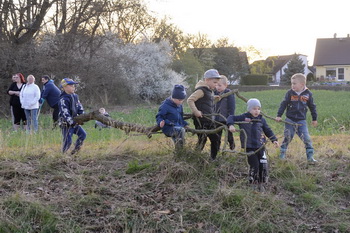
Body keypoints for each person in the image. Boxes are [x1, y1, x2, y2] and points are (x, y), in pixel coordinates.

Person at [227, 98, 279, 187]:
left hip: (260, 146)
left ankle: (262, 182)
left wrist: (274, 140)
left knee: (263, 164)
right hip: (249, 147)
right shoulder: (244, 117)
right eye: (254, 109)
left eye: (258, 109)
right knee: (255, 165)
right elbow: (231, 117)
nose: (257, 111)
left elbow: (268, 130)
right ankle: (253, 182)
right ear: (249, 109)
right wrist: (231, 125)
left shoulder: (261, 119)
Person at [275, 73, 318, 162]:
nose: (292, 85)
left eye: (294, 83)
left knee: (306, 139)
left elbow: (312, 107)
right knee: (288, 137)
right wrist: (279, 116)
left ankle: (310, 157)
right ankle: (282, 154)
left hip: (301, 121)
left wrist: (314, 119)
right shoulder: (290, 93)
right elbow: (283, 104)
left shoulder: (308, 94)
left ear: (302, 84)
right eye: (292, 83)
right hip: (290, 119)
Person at [187, 69, 221, 160]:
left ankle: (212, 158)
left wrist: (213, 98)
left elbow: (204, 101)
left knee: (215, 139)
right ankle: (196, 157)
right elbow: (190, 100)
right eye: (214, 82)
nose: (216, 85)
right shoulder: (201, 90)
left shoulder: (208, 91)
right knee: (204, 139)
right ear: (207, 80)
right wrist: (196, 112)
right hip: (201, 120)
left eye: (217, 83)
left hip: (208, 119)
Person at [58, 78, 86, 155]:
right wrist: (71, 121)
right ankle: (63, 155)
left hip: (75, 121)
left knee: (83, 135)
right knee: (68, 141)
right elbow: (65, 112)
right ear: (64, 87)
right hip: (66, 124)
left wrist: (83, 116)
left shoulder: (75, 96)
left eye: (74, 85)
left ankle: (75, 152)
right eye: (71, 85)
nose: (73, 87)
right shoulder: (63, 99)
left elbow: (79, 107)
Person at [156, 84, 188, 150]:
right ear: (173, 97)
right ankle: (180, 151)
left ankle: (180, 151)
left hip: (178, 126)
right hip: (168, 127)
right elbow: (159, 116)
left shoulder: (179, 105)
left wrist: (185, 124)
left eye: (182, 100)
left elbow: (180, 117)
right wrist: (160, 122)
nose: (181, 102)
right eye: (179, 100)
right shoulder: (165, 106)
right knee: (180, 131)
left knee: (180, 132)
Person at [214, 75, 236, 150]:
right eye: (216, 85)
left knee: (229, 135)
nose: (217, 87)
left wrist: (231, 120)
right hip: (217, 119)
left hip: (226, 118)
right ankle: (217, 148)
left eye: (219, 85)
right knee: (217, 136)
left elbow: (231, 107)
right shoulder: (215, 93)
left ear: (226, 85)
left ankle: (232, 146)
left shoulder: (229, 94)